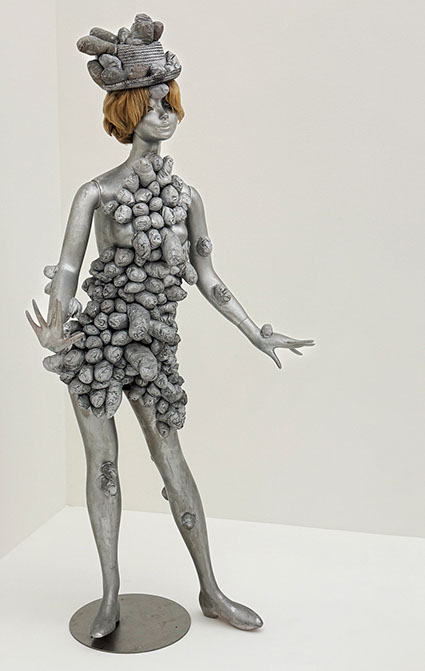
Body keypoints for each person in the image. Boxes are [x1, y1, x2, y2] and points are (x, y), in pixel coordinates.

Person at [26, 14, 314, 639]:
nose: (165, 114)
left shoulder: (186, 198)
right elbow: (69, 267)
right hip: (99, 344)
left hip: (153, 345)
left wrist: (254, 330)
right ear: (128, 112)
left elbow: (208, 277)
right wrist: (57, 326)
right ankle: (109, 595)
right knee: (103, 466)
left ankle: (211, 589)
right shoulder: (96, 193)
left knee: (173, 464)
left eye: (170, 103)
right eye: (152, 104)